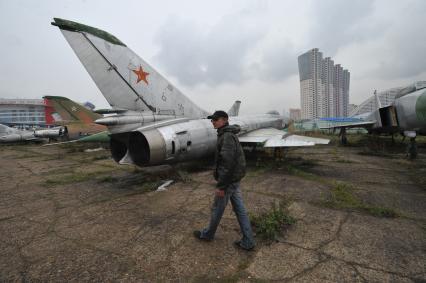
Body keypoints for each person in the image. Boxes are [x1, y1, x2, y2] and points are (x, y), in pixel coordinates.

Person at [193, 110, 255, 251]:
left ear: (225, 120)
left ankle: (208, 234)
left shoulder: (226, 136)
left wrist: (221, 186)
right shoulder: (226, 134)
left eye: (216, 119)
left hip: (228, 182)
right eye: (212, 120)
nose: (213, 122)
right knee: (240, 210)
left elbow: (227, 163)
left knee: (217, 209)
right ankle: (248, 241)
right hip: (234, 180)